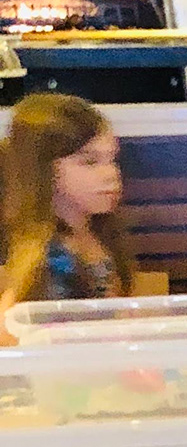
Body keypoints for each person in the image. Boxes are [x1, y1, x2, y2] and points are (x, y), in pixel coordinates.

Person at [0, 91, 133, 334]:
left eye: (112, 159)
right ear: (44, 170)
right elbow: (10, 332)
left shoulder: (100, 230)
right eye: (90, 162)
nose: (111, 174)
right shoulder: (44, 257)